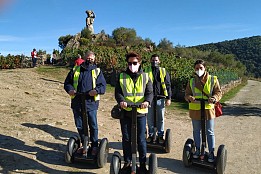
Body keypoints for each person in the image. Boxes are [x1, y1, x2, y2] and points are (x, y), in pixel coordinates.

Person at [115, 52, 153, 173]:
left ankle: (142, 163)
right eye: (130, 63)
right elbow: (118, 92)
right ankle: (127, 161)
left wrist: (147, 101)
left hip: (140, 112)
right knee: (126, 138)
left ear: (139, 63)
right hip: (126, 111)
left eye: (134, 63)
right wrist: (121, 101)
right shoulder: (122, 76)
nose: (132, 65)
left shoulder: (145, 76)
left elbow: (150, 92)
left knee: (141, 139)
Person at [64, 51, 106, 155]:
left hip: (91, 102)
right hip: (77, 101)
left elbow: (102, 86)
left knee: (93, 125)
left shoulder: (97, 71)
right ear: (84, 58)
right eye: (88, 58)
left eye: (92, 59)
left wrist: (96, 91)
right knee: (80, 125)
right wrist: (70, 90)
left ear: (94, 60)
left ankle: (95, 146)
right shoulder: (75, 69)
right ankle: (84, 144)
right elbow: (67, 83)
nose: (90, 60)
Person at [184, 59, 222, 163]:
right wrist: (189, 97)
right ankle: (197, 150)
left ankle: (211, 152)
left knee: (209, 131)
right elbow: (186, 94)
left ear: (205, 68)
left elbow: (218, 92)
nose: (199, 70)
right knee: (196, 131)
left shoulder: (213, 79)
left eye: (201, 68)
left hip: (208, 109)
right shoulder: (191, 81)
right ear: (194, 69)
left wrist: (214, 98)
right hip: (195, 109)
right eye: (196, 68)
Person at [144, 54, 172, 143]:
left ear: (159, 61)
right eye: (152, 60)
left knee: (160, 118)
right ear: (150, 61)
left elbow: (168, 85)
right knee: (150, 118)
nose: (154, 62)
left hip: (160, 98)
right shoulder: (146, 71)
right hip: (150, 99)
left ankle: (160, 136)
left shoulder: (163, 71)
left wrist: (169, 98)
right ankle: (151, 135)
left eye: (156, 60)